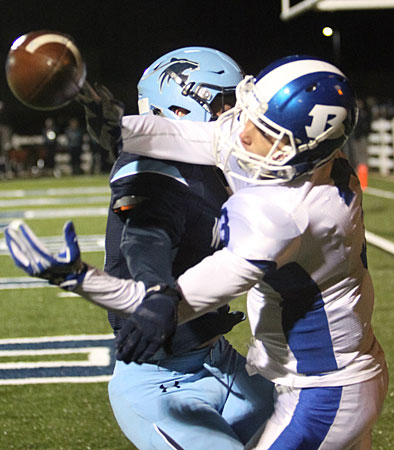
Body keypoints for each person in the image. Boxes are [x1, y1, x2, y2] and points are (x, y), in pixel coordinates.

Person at [6, 54, 388, 449]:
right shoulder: (313, 161)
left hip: (322, 392)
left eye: (263, 129)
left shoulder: (284, 214)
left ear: (295, 151)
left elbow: (172, 305)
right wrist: (121, 127)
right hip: (337, 372)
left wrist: (80, 278)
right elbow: (203, 141)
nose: (241, 133)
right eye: (248, 113)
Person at [7, 47, 274, 450]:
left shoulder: (194, 158)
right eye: (224, 102)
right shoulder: (149, 171)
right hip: (162, 384)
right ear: (179, 111)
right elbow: (145, 235)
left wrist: (118, 130)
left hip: (221, 361)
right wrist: (156, 289)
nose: (235, 116)